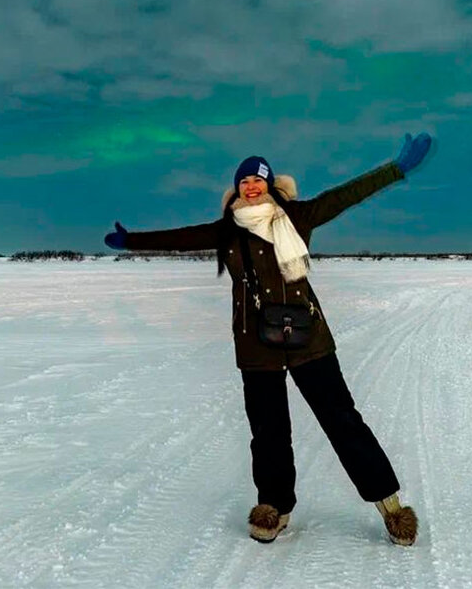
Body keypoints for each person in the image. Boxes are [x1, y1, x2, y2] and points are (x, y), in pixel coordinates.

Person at [103, 132, 432, 546]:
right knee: (269, 431)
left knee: (342, 420)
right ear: (237, 189)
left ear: (272, 184)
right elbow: (181, 237)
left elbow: (347, 194)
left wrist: (395, 168)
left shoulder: (297, 216)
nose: (251, 186)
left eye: (258, 180)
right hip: (256, 345)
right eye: (244, 182)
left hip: (308, 339)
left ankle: (391, 505)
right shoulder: (228, 231)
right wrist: (132, 241)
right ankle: (274, 507)